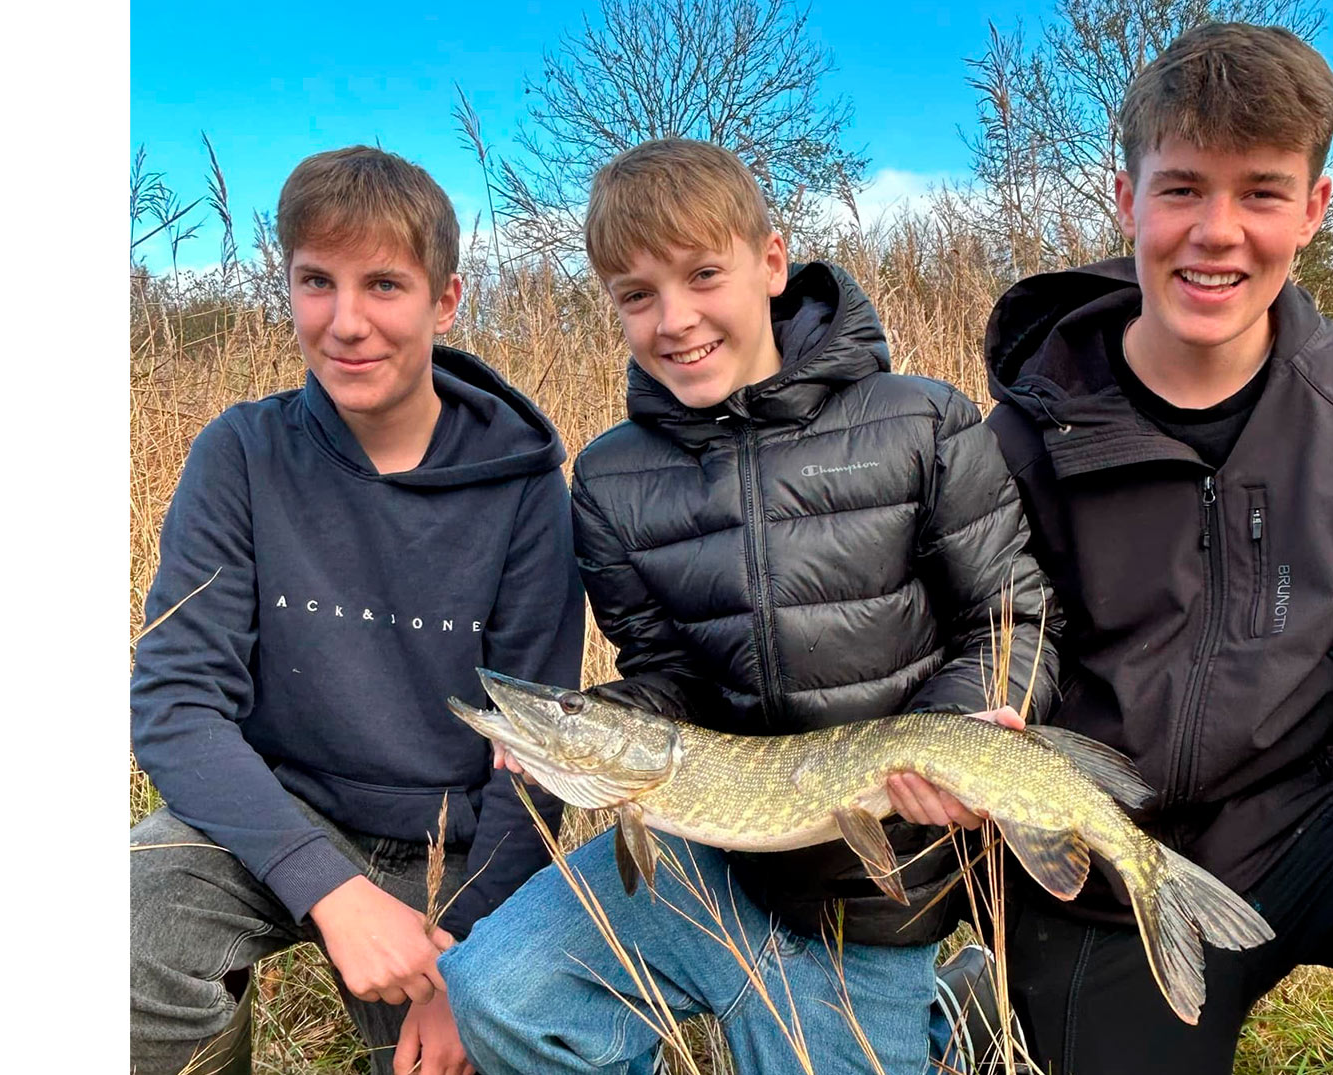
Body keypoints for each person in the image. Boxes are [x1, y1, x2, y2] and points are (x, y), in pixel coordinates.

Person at [438, 137, 1060, 1075]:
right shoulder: (609, 480)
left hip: (875, 888)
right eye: (636, 295)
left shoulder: (921, 420)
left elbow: (1013, 621)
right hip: (713, 852)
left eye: (702, 275)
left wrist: (941, 738)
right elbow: (668, 675)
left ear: (771, 263)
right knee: (494, 993)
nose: (674, 318)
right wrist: (592, 727)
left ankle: (947, 1004)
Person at [129, 145, 584, 1075]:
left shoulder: (528, 489)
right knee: (117, 929)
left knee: (490, 1040)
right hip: (268, 820)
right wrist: (331, 890)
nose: (346, 322)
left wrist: (477, 963)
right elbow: (176, 706)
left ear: (445, 300)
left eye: (383, 284)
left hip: (451, 857)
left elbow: (534, 760)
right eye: (315, 282)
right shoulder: (241, 455)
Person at [979, 22, 1333, 1074]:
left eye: (1263, 192)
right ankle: (983, 1004)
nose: (1219, 232)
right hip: (1105, 868)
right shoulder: (1018, 439)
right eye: (1184, 189)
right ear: (1127, 198)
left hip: (1311, 822)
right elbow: (996, 637)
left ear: (1315, 211)